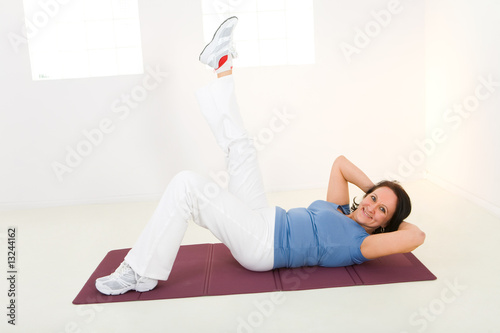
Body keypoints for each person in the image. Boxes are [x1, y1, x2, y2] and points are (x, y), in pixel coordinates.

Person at [95, 17, 425, 296]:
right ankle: (222, 63)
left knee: (186, 185)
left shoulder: (361, 245)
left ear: (386, 224)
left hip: (262, 246)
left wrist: (388, 223)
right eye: (372, 199)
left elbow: (416, 236)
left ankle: (139, 272)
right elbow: (340, 163)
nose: (370, 207)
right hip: (262, 217)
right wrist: (375, 193)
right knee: (242, 148)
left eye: (381, 211)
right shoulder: (340, 208)